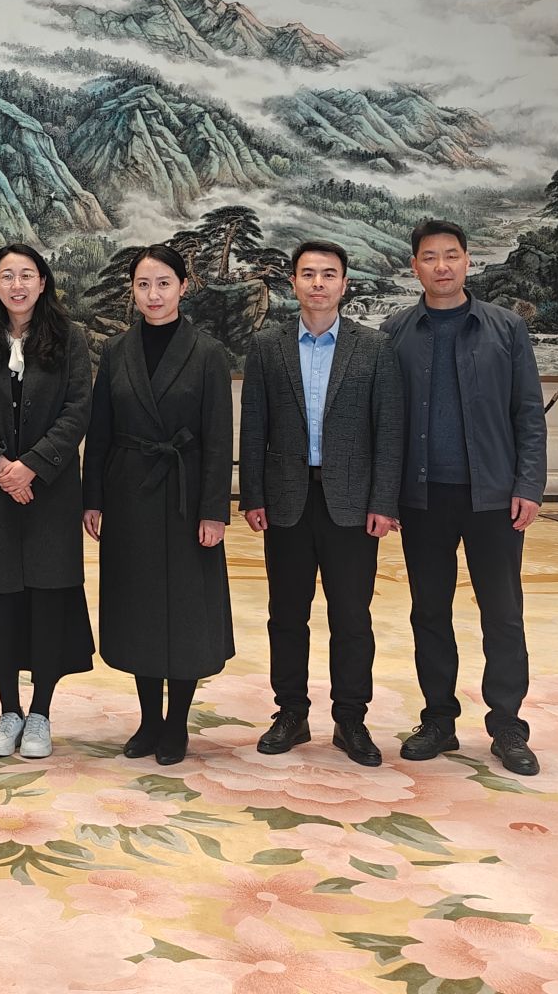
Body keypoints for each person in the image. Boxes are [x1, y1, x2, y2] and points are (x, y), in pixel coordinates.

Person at [382, 219, 547, 777]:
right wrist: (385, 495)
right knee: (429, 612)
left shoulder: (505, 328)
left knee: (502, 613)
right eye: (430, 257)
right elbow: (385, 420)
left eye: (451, 255)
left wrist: (529, 485)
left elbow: (529, 413)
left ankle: (508, 726)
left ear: (467, 260)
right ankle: (438, 720)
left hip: (494, 497)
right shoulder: (396, 331)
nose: (442, 266)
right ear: (415, 267)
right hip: (422, 498)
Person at [239, 241, 405, 768]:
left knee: (352, 616)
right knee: (286, 615)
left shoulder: (374, 347)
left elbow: (388, 431)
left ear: (344, 284)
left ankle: (350, 718)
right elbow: (254, 427)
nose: (318, 283)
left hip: (352, 504)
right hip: (286, 500)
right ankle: (290, 712)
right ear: (293, 282)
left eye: (328, 274)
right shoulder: (267, 346)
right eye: (308, 274)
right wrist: (253, 495)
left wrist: (384, 501)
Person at [82, 245, 233, 767]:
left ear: (183, 287)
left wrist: (214, 510)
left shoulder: (209, 353)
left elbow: (219, 438)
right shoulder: (117, 351)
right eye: (143, 284)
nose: (153, 294)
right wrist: (93, 498)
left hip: (187, 495)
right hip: (129, 493)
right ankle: (148, 720)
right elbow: (100, 431)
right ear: (133, 290)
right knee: (139, 606)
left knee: (185, 609)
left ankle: (177, 723)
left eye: (164, 283)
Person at [0, 243, 94, 759]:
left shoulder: (70, 339)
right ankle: (9, 710)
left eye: (27, 275)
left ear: (42, 283)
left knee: (48, 600)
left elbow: (78, 410)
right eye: (7, 276)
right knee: (0, 601)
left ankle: (41, 714)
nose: (17, 285)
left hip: (50, 493)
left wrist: (31, 466)